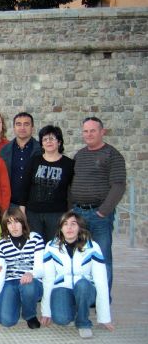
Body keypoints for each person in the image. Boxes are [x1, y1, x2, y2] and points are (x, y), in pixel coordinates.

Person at [70, 117, 126, 294]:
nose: (89, 134)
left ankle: (102, 298)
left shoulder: (112, 155)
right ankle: (85, 294)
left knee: (102, 258)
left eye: (93, 130)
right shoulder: (80, 155)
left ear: (102, 132)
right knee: (79, 257)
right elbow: (72, 183)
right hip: (78, 214)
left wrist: (103, 212)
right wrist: (71, 210)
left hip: (99, 215)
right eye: (85, 131)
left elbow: (118, 185)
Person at [41, 211, 114, 339]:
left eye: (73, 224)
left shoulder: (93, 247)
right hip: (62, 287)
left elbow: (101, 281)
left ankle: (83, 322)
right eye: (65, 224)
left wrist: (104, 317)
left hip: (85, 289)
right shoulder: (51, 247)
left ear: (79, 227)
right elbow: (48, 279)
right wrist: (46, 312)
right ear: (60, 228)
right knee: (61, 319)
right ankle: (76, 307)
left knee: (82, 285)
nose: (69, 228)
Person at [19, 125, 74, 242]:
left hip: (57, 213)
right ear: (42, 144)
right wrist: (22, 209)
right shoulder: (34, 161)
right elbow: (24, 186)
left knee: (54, 245)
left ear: (59, 142)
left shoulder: (68, 164)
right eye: (45, 139)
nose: (48, 142)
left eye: (52, 138)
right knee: (36, 245)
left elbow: (72, 189)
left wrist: (70, 211)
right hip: (33, 213)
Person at [0, 207, 44, 329]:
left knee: (27, 287)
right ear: (5, 226)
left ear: (23, 222)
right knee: (6, 321)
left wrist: (31, 273)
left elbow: (41, 268)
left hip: (32, 281)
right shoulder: (1, 244)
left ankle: (29, 315)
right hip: (11, 282)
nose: (13, 226)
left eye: (16, 221)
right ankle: (19, 300)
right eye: (9, 223)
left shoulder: (35, 238)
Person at [0, 112, 42, 208]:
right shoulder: (5, 151)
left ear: (33, 128)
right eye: (18, 124)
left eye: (26, 124)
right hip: (11, 205)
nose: (22, 128)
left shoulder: (41, 150)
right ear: (14, 128)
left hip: (34, 206)